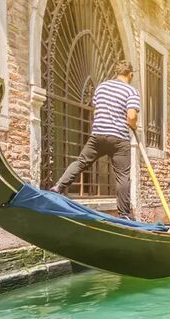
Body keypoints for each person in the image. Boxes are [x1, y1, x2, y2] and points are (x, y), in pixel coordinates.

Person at [50, 60, 140, 220]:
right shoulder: (131, 91)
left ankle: (58, 187)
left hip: (98, 134)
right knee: (123, 176)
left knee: (81, 162)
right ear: (130, 74)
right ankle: (124, 215)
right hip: (119, 138)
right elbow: (131, 116)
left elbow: (97, 109)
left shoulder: (101, 87)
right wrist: (133, 125)